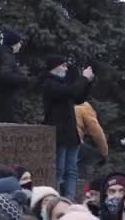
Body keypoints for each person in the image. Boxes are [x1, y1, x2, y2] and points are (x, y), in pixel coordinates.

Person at [42, 55, 94, 199]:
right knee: (59, 170)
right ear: (54, 67)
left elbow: (78, 97)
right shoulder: (49, 84)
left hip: (70, 133)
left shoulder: (62, 84)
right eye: (63, 65)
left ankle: (69, 200)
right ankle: (55, 200)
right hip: (58, 133)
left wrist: (88, 82)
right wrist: (83, 78)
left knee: (71, 170)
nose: (66, 68)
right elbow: (71, 92)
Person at [0, 30, 28, 123]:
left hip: (2, 100)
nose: (20, 45)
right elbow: (5, 75)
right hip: (8, 101)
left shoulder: (2, 52)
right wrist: (24, 79)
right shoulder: (7, 55)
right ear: (14, 43)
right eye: (19, 43)